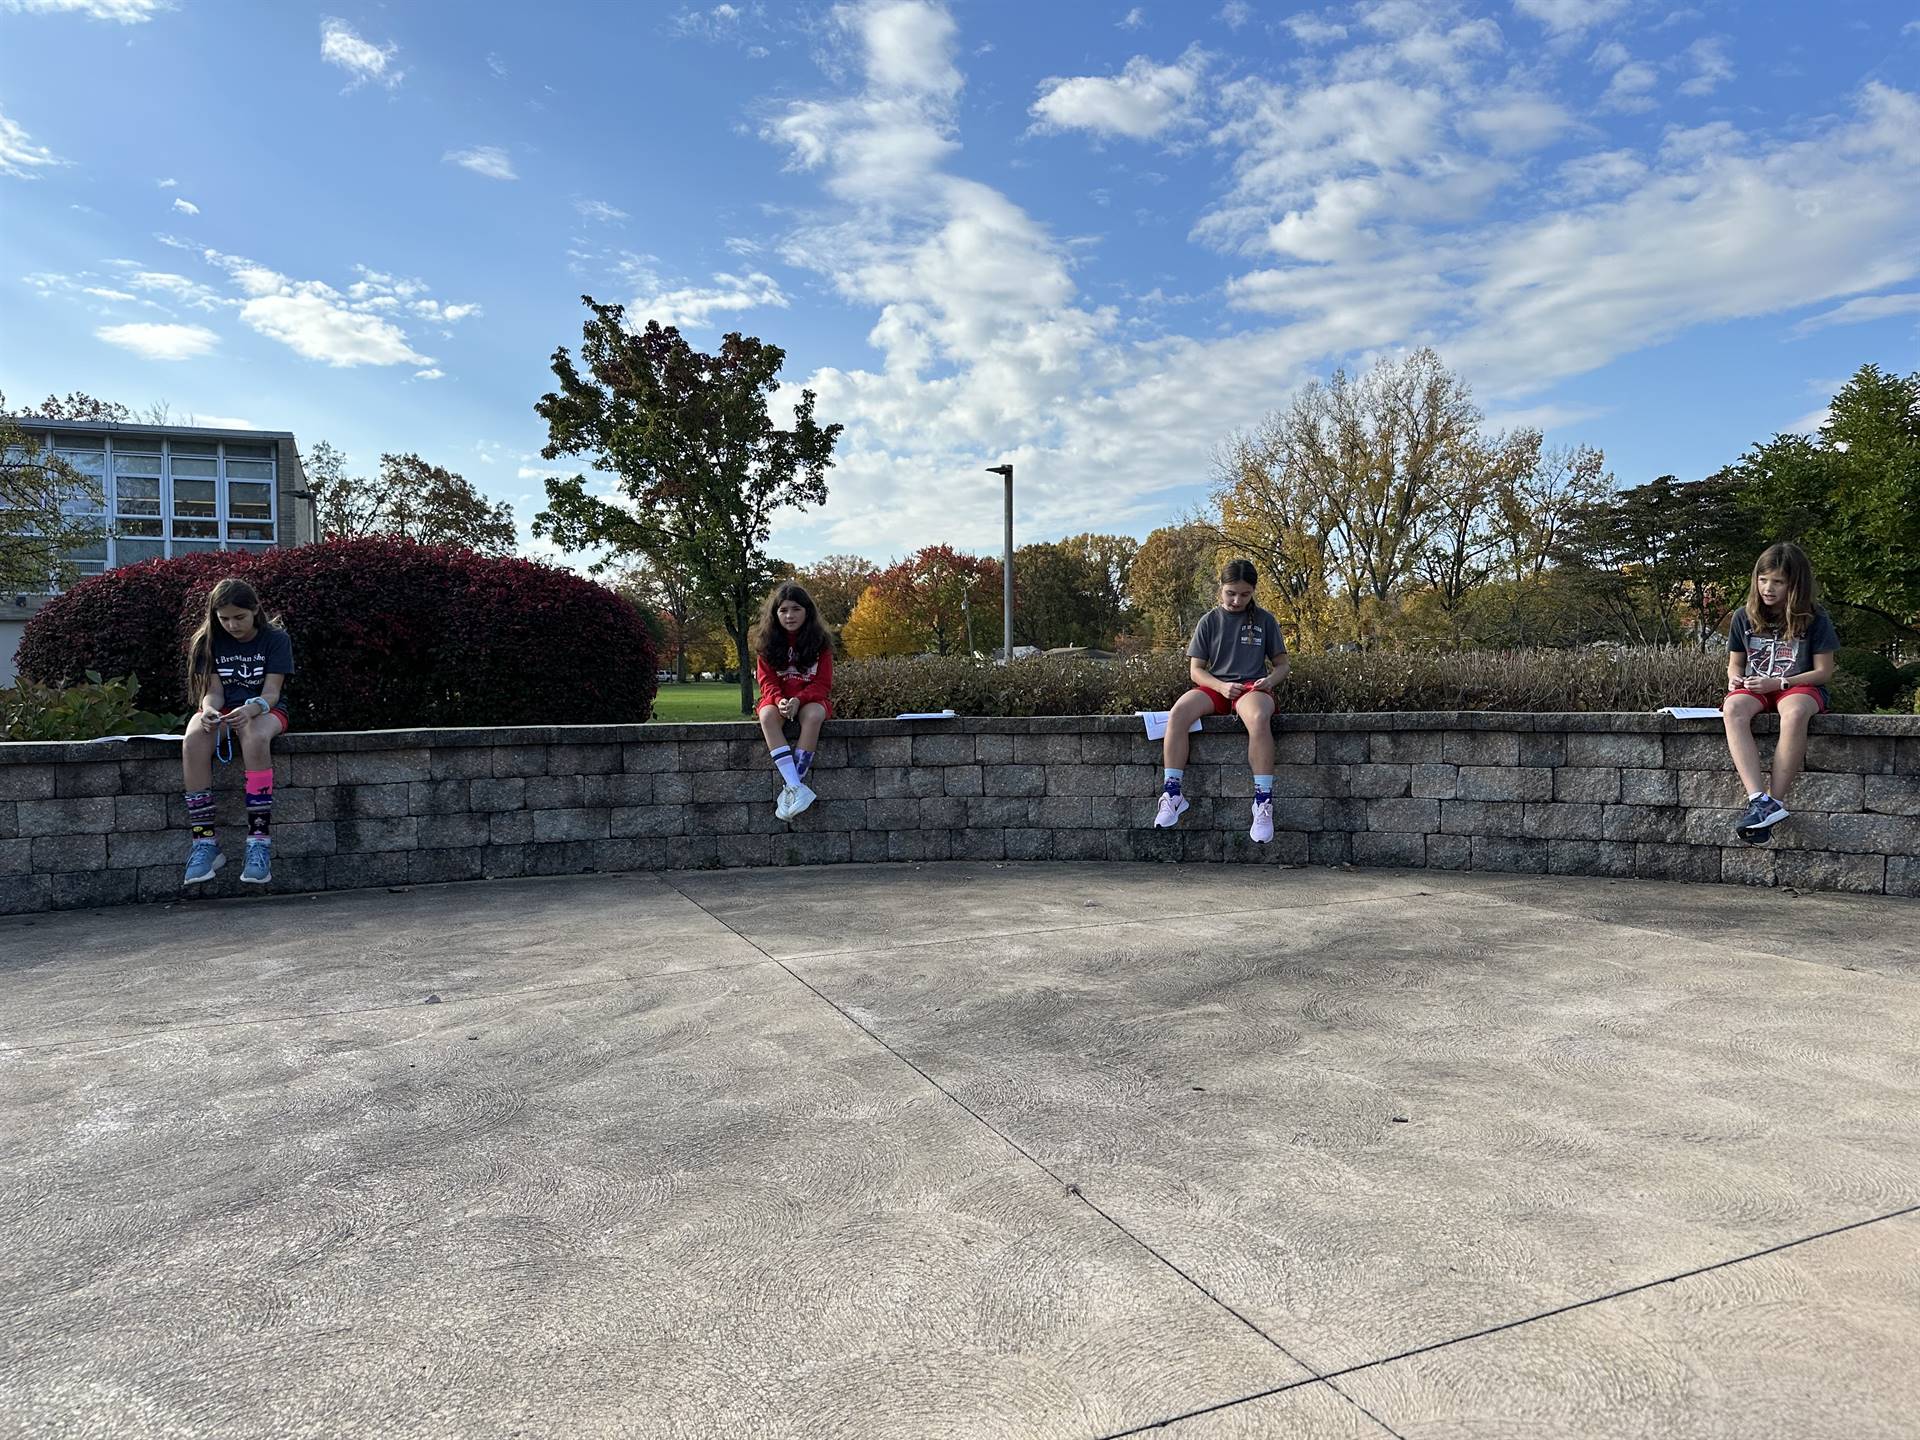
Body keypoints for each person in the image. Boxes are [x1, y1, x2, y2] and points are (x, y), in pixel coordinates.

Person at [1153, 558, 1290, 842]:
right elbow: (1196, 670)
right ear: (1220, 589)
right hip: (1216, 686)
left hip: (1252, 687)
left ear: (1253, 592)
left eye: (1244, 594)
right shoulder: (1209, 621)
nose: (1237, 600)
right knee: (1178, 713)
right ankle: (1173, 794)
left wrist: (1269, 681)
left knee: (1258, 718)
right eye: (1231, 593)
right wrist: (1221, 687)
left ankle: (1263, 803)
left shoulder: (1265, 620)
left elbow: (1282, 666)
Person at [181, 577, 296, 885]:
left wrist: (252, 707)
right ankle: (204, 843)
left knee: (255, 736)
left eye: (239, 617)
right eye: (224, 618)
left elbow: (272, 691)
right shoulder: (209, 641)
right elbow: (213, 692)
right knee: (193, 739)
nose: (232, 625)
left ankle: (259, 842)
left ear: (255, 610)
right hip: (226, 709)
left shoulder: (275, 639)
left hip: (265, 709)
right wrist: (209, 711)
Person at [1721, 541, 1838, 842]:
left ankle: (1777, 800)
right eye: (1762, 580)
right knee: (1732, 709)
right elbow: (1735, 665)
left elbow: (1824, 672)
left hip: (1798, 686)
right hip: (1757, 687)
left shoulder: (1815, 618)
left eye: (1777, 581)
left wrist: (1781, 683)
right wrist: (1735, 679)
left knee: (1795, 711)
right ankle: (1759, 799)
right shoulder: (1743, 617)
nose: (1768, 588)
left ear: (1794, 584)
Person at [754, 580, 833, 822]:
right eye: (783, 610)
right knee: (766, 716)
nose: (790, 615)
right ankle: (796, 787)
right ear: (775, 614)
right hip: (777, 699)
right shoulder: (766, 642)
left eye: (796, 609)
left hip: (809, 698)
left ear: (807, 611)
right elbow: (766, 681)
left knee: (814, 716)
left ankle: (792, 787)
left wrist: (799, 699)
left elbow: (823, 684)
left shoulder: (821, 642)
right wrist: (779, 701)